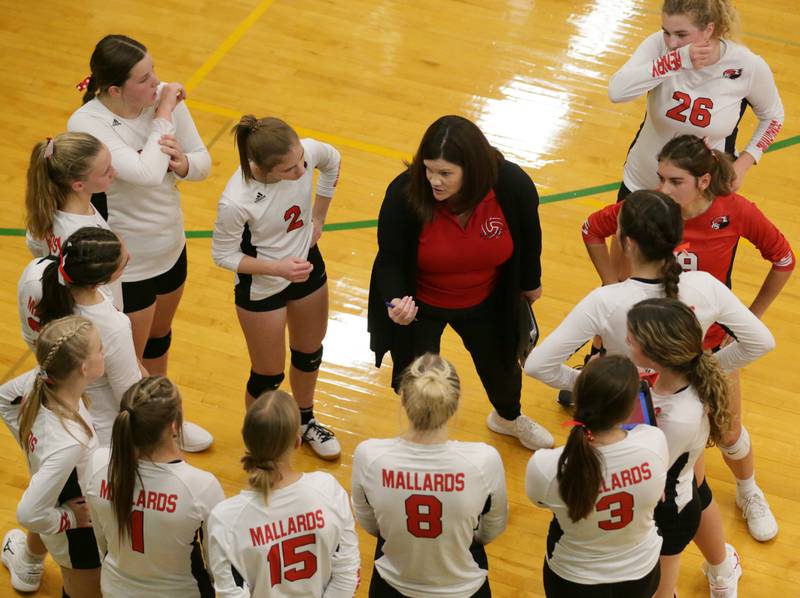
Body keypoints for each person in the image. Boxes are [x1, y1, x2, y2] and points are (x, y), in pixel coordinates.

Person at [581, 136, 794, 541]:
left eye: (674, 181)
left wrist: (749, 318)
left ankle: (748, 491)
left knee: (728, 432)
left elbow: (783, 259)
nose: (662, 190)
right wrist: (611, 285)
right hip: (645, 350)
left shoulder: (735, 212)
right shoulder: (647, 209)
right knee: (652, 432)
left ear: (704, 180)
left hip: (708, 347)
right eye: (660, 178)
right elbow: (591, 228)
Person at [367, 115, 550, 450]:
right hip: (422, 305)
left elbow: (529, 235)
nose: (433, 181)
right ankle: (422, 435)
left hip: (488, 300)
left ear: (473, 169)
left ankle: (508, 418)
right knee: (420, 378)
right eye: (428, 169)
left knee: (503, 368)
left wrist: (530, 281)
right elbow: (390, 258)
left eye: (445, 173)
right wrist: (395, 301)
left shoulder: (511, 185)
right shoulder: (404, 193)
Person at [67, 34, 212, 386]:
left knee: (161, 338)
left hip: (171, 244)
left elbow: (203, 162)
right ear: (114, 90)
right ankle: (138, 433)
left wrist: (182, 165)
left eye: (154, 71)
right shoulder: (87, 125)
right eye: (144, 78)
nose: (157, 83)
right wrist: (164, 112)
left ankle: (163, 417)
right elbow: (146, 173)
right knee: (131, 363)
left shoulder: (160, 98)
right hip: (129, 262)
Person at [526, 190, 774, 392]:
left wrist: (591, 382)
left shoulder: (605, 300)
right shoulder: (706, 286)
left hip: (622, 409)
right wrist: (699, 372)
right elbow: (761, 342)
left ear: (628, 243)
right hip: (684, 409)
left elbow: (537, 366)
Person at [212, 116, 341, 459]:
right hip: (262, 287)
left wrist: (319, 218)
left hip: (307, 268)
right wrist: (278, 268)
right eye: (289, 169)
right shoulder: (236, 200)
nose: (301, 170)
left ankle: (304, 420)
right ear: (259, 167)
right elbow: (222, 255)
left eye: (301, 159)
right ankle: (262, 443)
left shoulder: (304, 155)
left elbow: (333, 160)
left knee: (309, 352)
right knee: (268, 375)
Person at [351, 354, 508, 597]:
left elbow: (370, 524)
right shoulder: (483, 460)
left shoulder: (368, 455)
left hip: (391, 585)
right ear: (454, 402)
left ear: (402, 398)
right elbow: (492, 529)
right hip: (464, 589)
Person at [608, 0, 783, 199]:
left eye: (681, 35)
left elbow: (774, 117)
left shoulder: (747, 66)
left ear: (709, 29)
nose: (672, 43)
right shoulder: (659, 46)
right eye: (666, 32)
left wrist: (743, 164)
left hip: (702, 196)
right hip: (643, 184)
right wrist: (675, 61)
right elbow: (617, 92)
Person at [526, 355, 668, 597]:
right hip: (640, 571)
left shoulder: (546, 465)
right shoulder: (653, 442)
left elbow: (538, 501)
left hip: (573, 578)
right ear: (628, 411)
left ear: (576, 400)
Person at [626, 298, 740, 597]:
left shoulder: (680, 416)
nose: (625, 339)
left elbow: (646, 468)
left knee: (660, 593)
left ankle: (725, 570)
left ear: (656, 352)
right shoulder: (665, 383)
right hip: (667, 497)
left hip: (669, 514)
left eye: (632, 337)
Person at [207, 390, 359, 597]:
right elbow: (347, 572)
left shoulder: (225, 518)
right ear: (297, 442)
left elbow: (230, 594)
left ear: (247, 441)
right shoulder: (328, 489)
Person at [84, 376, 224, 597]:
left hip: (115, 589)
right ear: (174, 426)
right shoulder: (201, 486)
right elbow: (219, 568)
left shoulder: (99, 466)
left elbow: (102, 543)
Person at [1, 316, 104, 598]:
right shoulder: (69, 442)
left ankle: (27, 566)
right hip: (77, 532)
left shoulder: (41, 378)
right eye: (100, 348)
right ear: (84, 367)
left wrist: (31, 446)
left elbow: (3, 399)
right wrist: (68, 518)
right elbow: (29, 513)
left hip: (56, 497)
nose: (104, 352)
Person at [17, 227, 140, 446]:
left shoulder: (34, 274)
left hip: (54, 406)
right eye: (123, 262)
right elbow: (129, 395)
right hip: (100, 427)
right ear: (99, 281)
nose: (129, 256)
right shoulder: (112, 326)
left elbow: (31, 338)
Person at [23, 132, 121, 308]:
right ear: (78, 185)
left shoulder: (49, 206)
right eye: (106, 171)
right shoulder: (82, 234)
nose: (115, 172)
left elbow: (34, 244)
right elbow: (97, 294)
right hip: (96, 319)